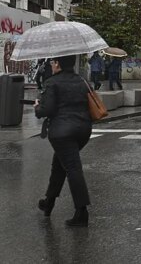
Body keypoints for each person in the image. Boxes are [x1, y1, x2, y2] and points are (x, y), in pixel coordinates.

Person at [34, 55, 93, 227]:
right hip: (83, 130)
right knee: (59, 164)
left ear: (58, 64)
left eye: (53, 62)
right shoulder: (81, 80)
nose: (52, 65)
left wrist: (38, 106)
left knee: (73, 168)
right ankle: (48, 203)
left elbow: (47, 110)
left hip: (62, 132)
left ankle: (82, 212)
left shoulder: (52, 82)